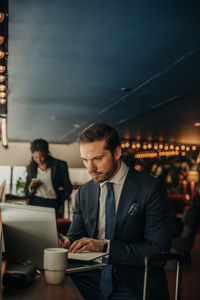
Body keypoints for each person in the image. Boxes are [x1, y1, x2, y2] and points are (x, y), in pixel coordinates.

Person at [59, 123, 172, 300]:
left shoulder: (150, 188)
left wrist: (105, 247)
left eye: (97, 158)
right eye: (85, 160)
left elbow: (158, 251)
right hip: (88, 277)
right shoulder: (84, 192)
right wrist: (67, 242)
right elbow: (76, 236)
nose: (90, 169)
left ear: (117, 153)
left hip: (132, 283)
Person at [25, 138, 72, 217]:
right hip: (35, 202)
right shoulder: (31, 167)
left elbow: (68, 188)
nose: (39, 160)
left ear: (47, 153)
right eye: (35, 157)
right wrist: (31, 186)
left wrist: (59, 200)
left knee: (52, 228)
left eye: (41, 156)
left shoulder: (60, 165)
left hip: (53, 203)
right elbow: (26, 190)